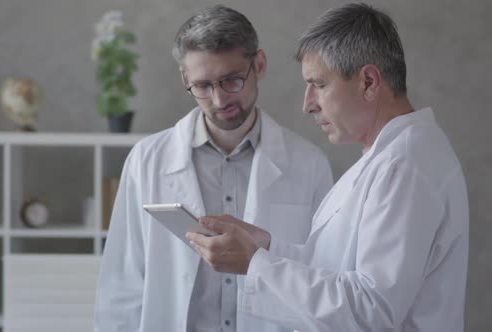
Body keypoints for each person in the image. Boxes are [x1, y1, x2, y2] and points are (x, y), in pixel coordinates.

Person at [187, 3, 469, 331]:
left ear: (368, 81)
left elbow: (371, 311)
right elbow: (338, 271)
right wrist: (266, 248)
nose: (308, 104)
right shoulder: (388, 157)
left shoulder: (403, 167)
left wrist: (256, 263)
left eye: (319, 84)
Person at [94, 5, 333, 332]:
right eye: (203, 86)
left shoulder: (309, 164)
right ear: (185, 78)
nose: (220, 99)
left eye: (232, 80)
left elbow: (323, 277)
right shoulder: (146, 160)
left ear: (258, 64)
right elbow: (121, 287)